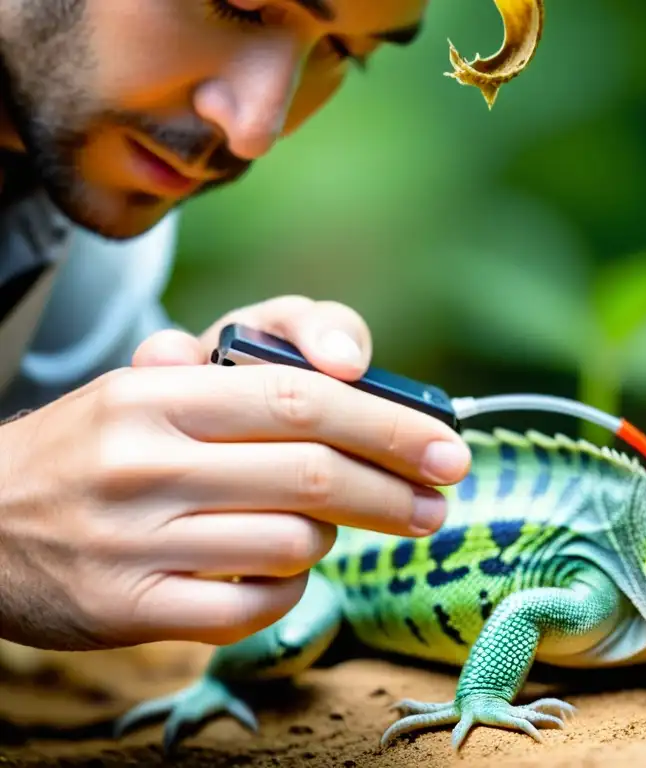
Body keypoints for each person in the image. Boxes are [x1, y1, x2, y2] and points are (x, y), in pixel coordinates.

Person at [0, 1, 478, 655]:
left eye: (344, 52)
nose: (256, 129)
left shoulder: (86, 218)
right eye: (239, 4)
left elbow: (50, 460)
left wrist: (194, 417)